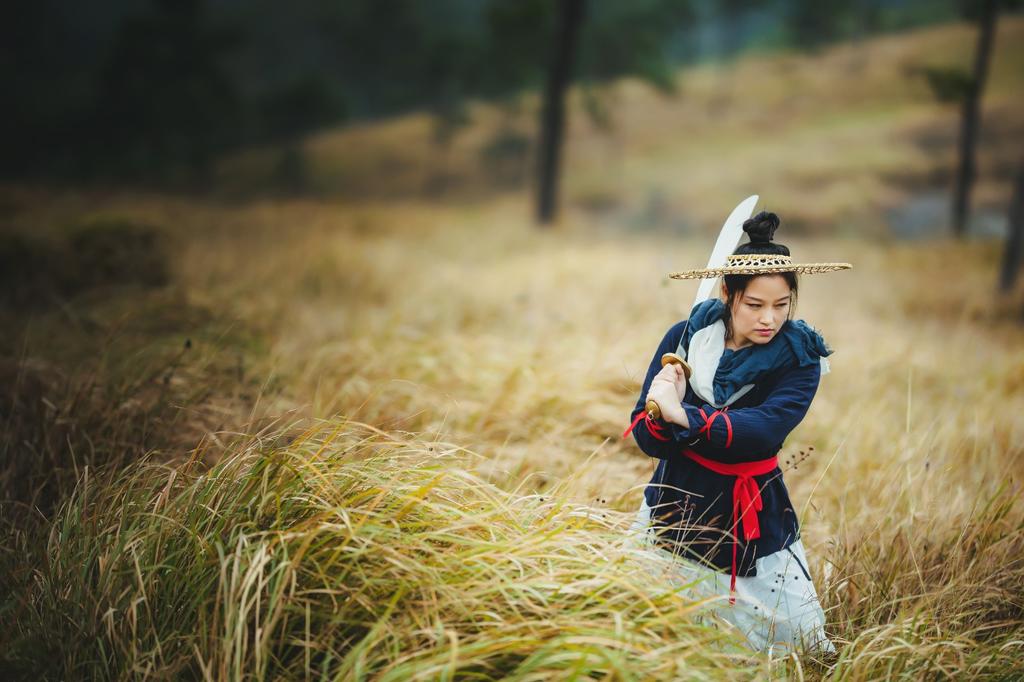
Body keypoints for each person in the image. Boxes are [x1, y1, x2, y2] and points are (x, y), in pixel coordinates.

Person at [623, 210, 851, 656]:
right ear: (729, 293)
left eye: (781, 305)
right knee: (655, 627)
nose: (770, 319)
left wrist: (684, 415)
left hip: (750, 508)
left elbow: (761, 431)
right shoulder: (686, 335)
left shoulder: (801, 357)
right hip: (677, 493)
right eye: (755, 305)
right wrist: (659, 409)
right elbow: (644, 434)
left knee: (787, 642)